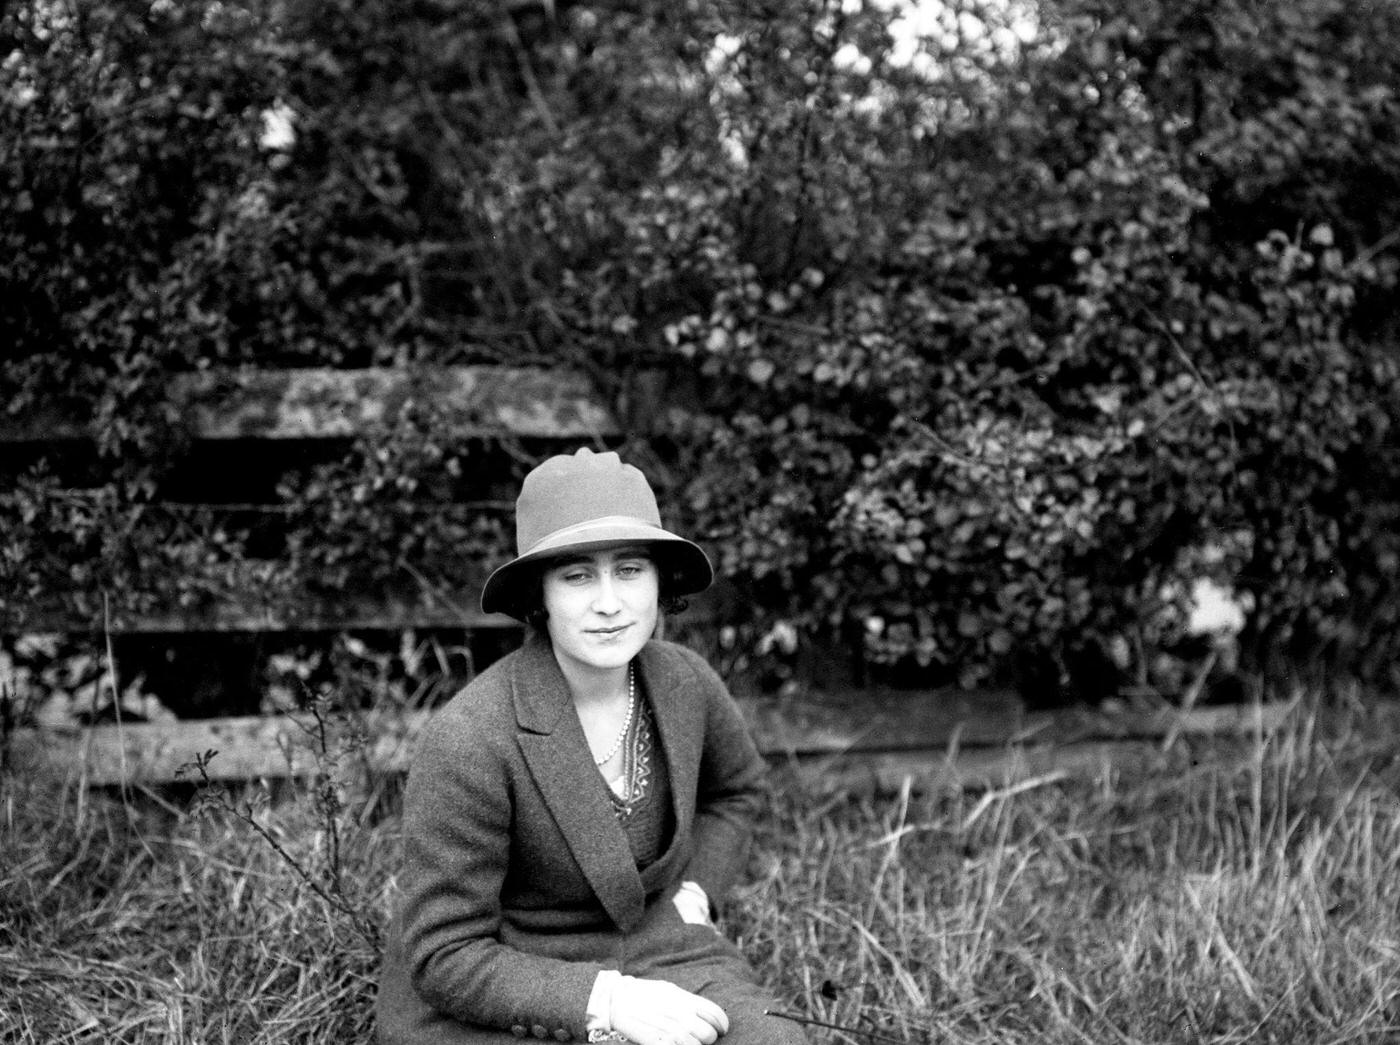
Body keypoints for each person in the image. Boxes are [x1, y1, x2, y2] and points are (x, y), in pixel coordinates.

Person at [376, 447, 807, 1044]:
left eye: (629, 570)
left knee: (776, 1041)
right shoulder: (470, 738)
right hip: (518, 969)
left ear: (660, 583)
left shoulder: (684, 681)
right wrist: (603, 1001)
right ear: (539, 596)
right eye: (578, 575)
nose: (609, 602)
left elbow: (736, 790)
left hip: (660, 944)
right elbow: (445, 953)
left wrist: (696, 889)